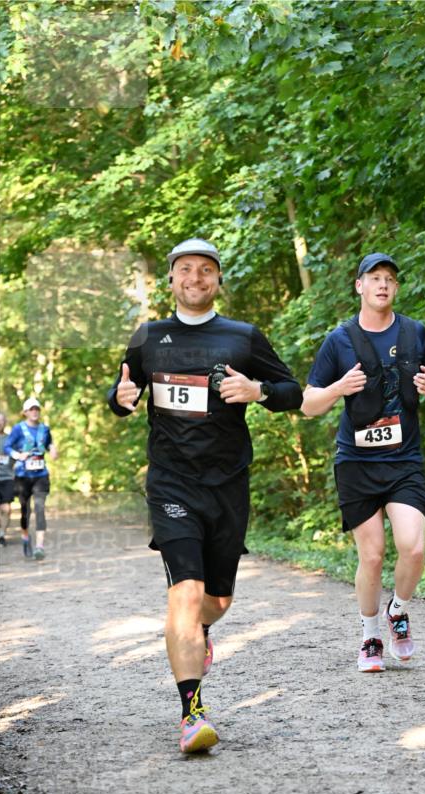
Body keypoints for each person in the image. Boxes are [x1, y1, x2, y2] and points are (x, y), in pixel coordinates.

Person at [108, 238, 302, 753]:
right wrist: (122, 399)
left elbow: (293, 393)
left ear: (218, 280)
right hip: (171, 482)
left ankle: (196, 636)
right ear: (170, 280)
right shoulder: (149, 337)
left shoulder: (243, 338)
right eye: (185, 269)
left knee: (216, 600)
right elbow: (122, 392)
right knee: (186, 593)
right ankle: (192, 713)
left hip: (228, 485)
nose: (195, 277)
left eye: (206, 270)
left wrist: (258, 392)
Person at [302, 252, 425, 673]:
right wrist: (338, 387)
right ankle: (369, 638)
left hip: (404, 459)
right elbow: (310, 404)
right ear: (359, 286)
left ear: (396, 288)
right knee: (372, 556)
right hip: (357, 463)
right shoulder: (340, 340)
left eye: (389, 278)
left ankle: (397, 611)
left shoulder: (415, 332)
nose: (383, 284)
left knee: (414, 548)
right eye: (374, 278)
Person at [7, 397, 58, 559]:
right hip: (23, 476)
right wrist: (17, 455)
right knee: (25, 512)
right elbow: (8, 446)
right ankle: (25, 538)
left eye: (37, 409)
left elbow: (49, 444)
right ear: (25, 412)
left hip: (41, 475)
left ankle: (39, 547)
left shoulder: (45, 429)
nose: (35, 412)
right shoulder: (18, 429)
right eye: (31, 409)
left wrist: (53, 449)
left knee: (40, 508)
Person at [0, 411, 15, 546]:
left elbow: (17, 457)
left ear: (5, 422)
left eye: (1, 420)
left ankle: (2, 535)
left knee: (6, 509)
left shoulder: (10, 440)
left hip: (8, 478)